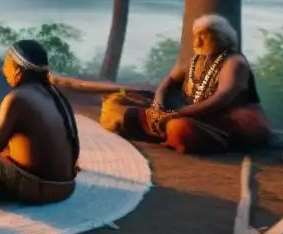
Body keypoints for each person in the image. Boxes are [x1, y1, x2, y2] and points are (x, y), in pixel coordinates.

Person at [100, 13, 271, 155]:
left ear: (221, 37)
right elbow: (167, 84)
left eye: (204, 36)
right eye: (196, 36)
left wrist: (178, 114)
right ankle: (161, 127)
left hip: (222, 123)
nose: (197, 42)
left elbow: (221, 99)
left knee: (180, 128)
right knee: (119, 106)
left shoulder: (235, 63)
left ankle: (165, 131)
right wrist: (158, 105)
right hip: (184, 114)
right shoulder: (194, 60)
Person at [0, 40, 79, 206]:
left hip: (38, 189)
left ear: (18, 70)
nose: (4, 69)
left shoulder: (17, 99)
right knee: (0, 145)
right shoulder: (56, 94)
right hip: (66, 186)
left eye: (6, 63)